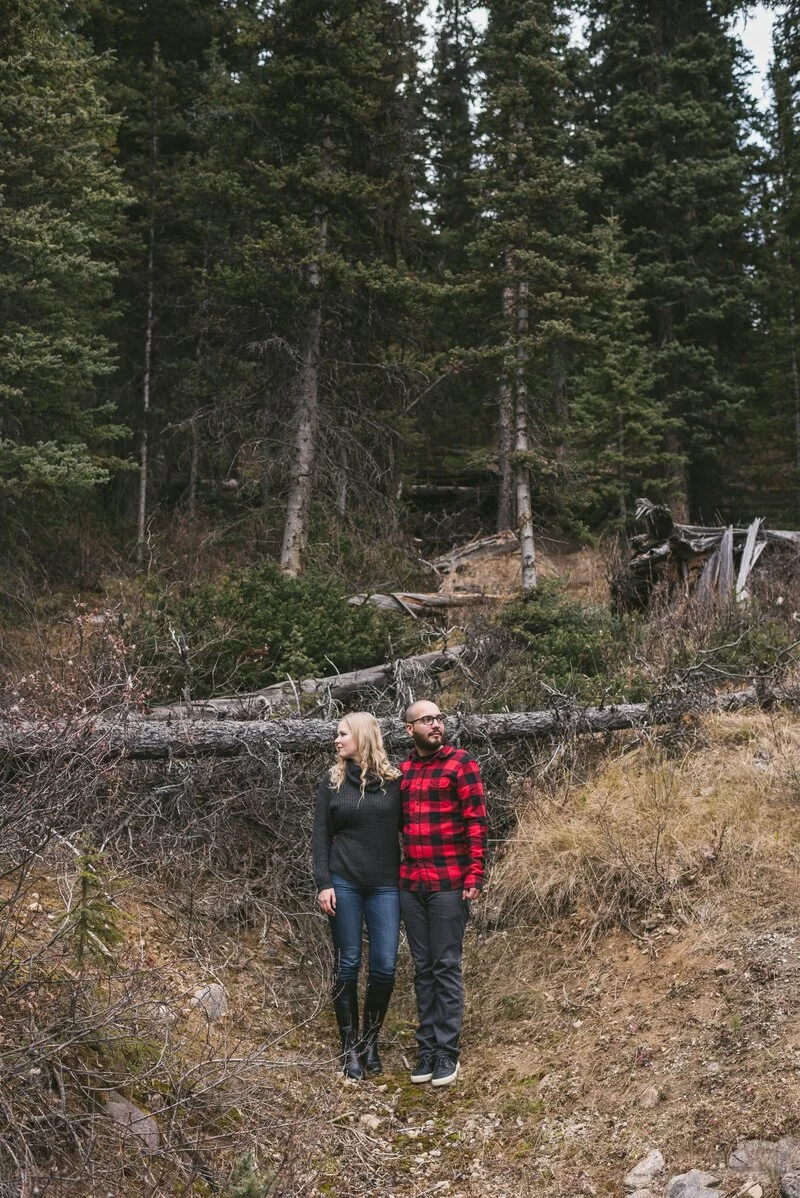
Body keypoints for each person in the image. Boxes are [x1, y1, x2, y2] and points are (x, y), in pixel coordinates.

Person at [400, 699, 488, 1087]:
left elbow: (477, 821)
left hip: (450, 882)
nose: (436, 724)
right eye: (427, 720)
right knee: (422, 968)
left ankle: (447, 1052)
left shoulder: (461, 763)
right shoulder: (401, 772)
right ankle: (427, 1048)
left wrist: (475, 874)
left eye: (439, 718)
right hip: (411, 883)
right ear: (410, 729)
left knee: (445, 965)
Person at [312, 712, 402, 1081]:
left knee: (384, 966)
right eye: (336, 734)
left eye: (342, 734)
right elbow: (320, 837)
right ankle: (349, 1045)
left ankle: (370, 1040)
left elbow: (409, 830)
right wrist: (323, 883)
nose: (336, 740)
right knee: (347, 964)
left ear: (362, 736)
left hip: (386, 885)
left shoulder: (395, 783)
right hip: (344, 882)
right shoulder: (331, 783)